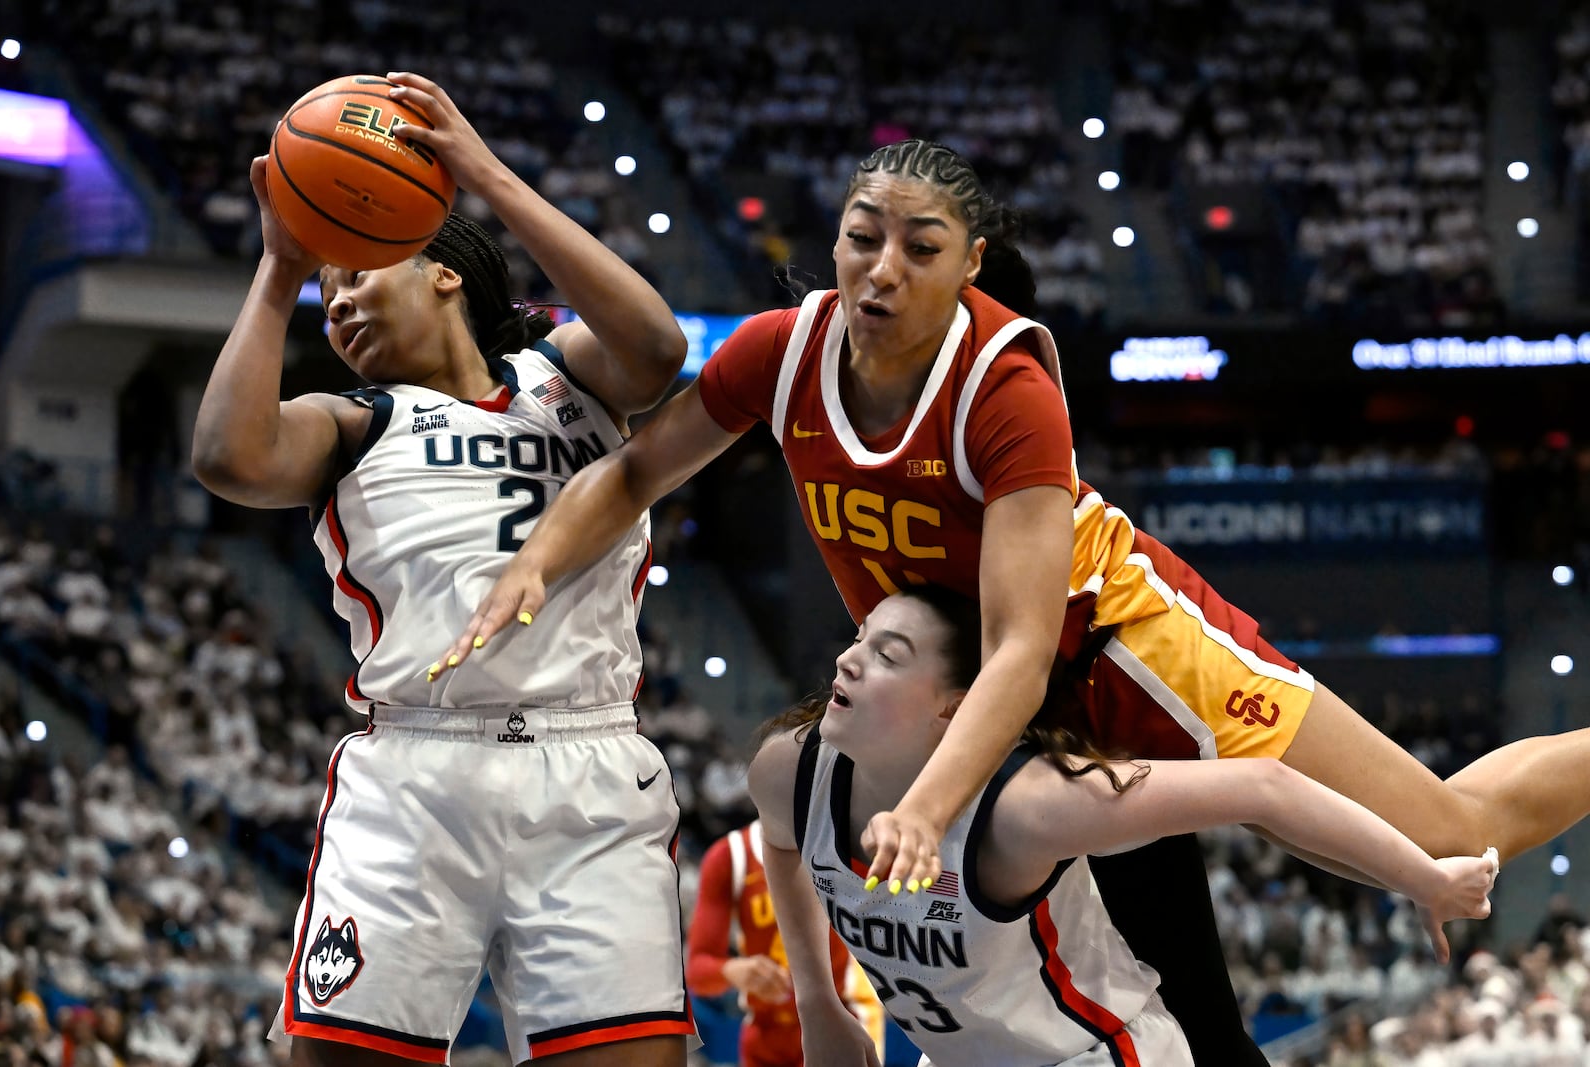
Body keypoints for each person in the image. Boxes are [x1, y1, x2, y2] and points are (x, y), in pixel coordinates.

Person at [432, 138, 1590, 1061]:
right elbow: (633, 470)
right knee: (1131, 989)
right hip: (983, 698)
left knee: (1449, 832)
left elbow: (1030, 641)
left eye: (919, 248)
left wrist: (929, 808)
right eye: (859, 237)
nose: (880, 269)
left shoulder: (1006, 387)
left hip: (1120, 651)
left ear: (969, 263)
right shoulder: (781, 354)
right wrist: (538, 559)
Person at [191, 72, 692, 1067]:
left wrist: (484, 175)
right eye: (326, 297)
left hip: (586, 766)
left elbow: (658, 342)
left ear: (445, 272)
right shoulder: (351, 420)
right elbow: (228, 457)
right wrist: (280, 264)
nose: (336, 309)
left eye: (356, 276)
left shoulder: (568, 377)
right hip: (416, 771)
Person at [746, 584, 1498, 1067]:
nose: (847, 661)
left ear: (955, 705)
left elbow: (1264, 786)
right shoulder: (789, 770)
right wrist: (820, 1000)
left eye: (888, 654)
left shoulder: (1026, 806)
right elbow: (783, 846)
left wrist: (1425, 878)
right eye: (860, 638)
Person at [686, 819, 885, 1067]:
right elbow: (697, 970)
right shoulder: (732, 855)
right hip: (766, 1030)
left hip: (843, 1016)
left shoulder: (845, 840)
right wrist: (735, 971)